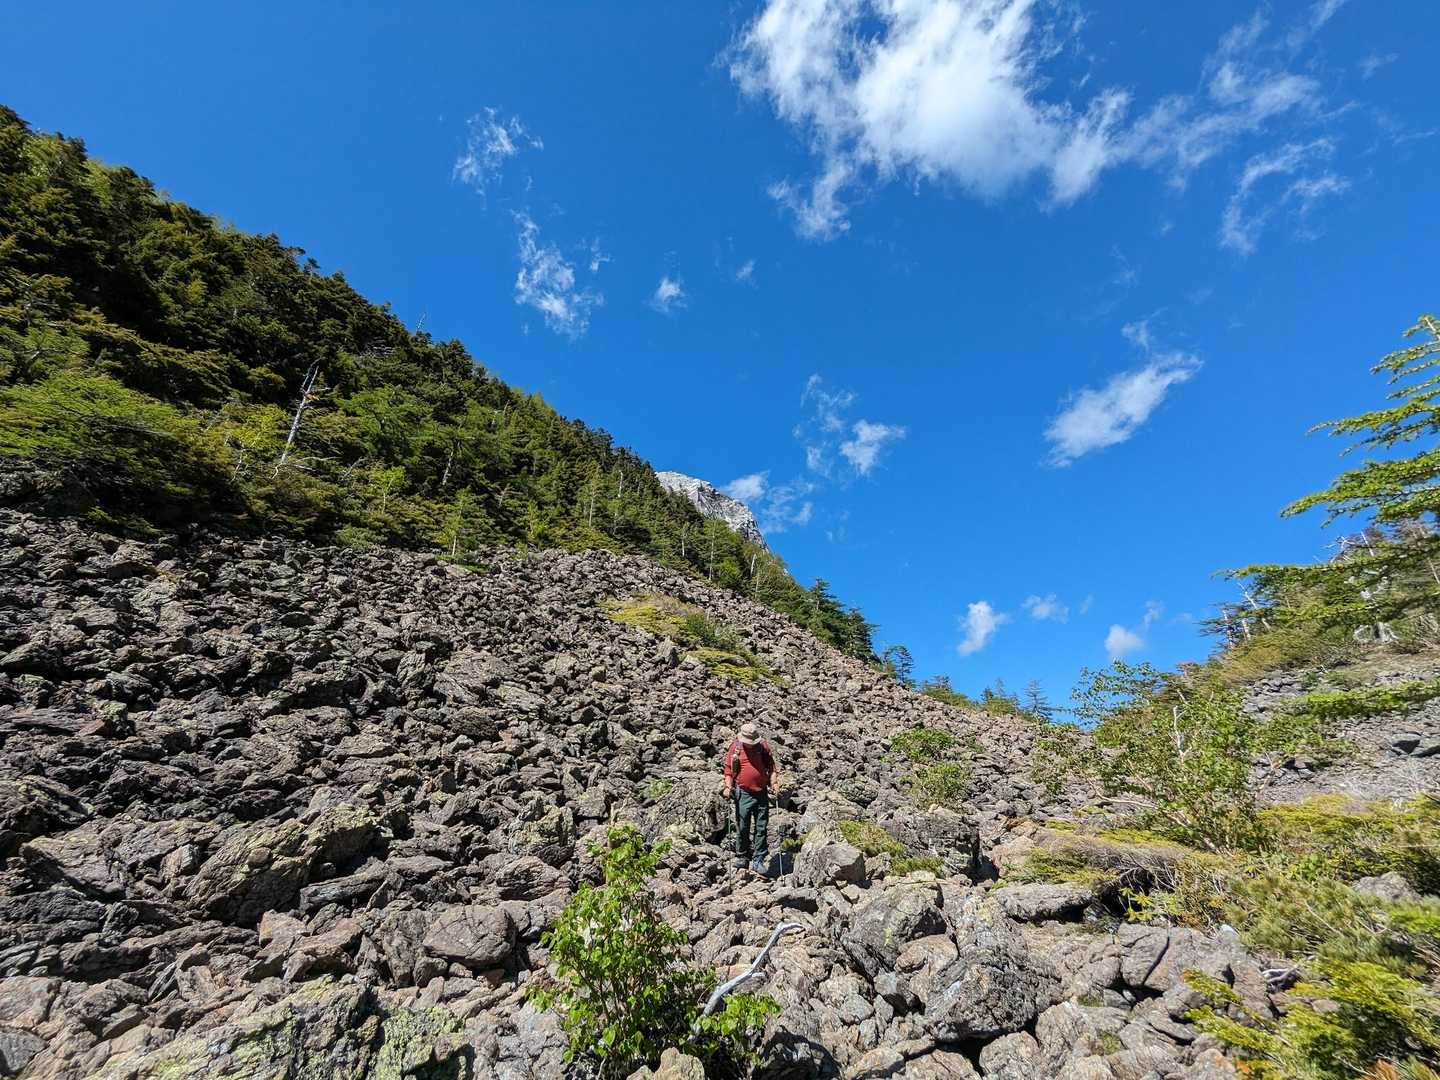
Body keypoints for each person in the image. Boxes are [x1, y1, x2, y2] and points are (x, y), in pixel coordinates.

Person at [722, 721, 778, 874]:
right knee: (742, 826)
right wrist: (728, 787)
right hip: (743, 792)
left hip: (761, 792)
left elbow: (771, 767)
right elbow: (728, 770)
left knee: (761, 827)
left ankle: (758, 859)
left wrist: (774, 782)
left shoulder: (762, 747)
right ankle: (742, 857)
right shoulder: (736, 747)